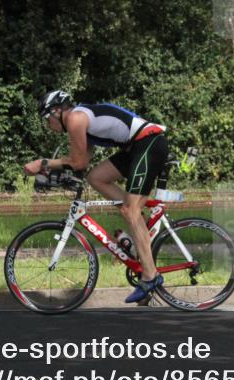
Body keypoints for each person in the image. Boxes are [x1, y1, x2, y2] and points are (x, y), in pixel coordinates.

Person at [24, 90, 169, 303]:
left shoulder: (75, 119)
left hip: (148, 143)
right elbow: (83, 162)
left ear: (57, 111)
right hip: (136, 147)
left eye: (47, 119)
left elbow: (77, 162)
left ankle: (150, 276)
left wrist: (42, 163)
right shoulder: (81, 118)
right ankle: (135, 218)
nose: (48, 125)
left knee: (131, 211)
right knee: (97, 177)